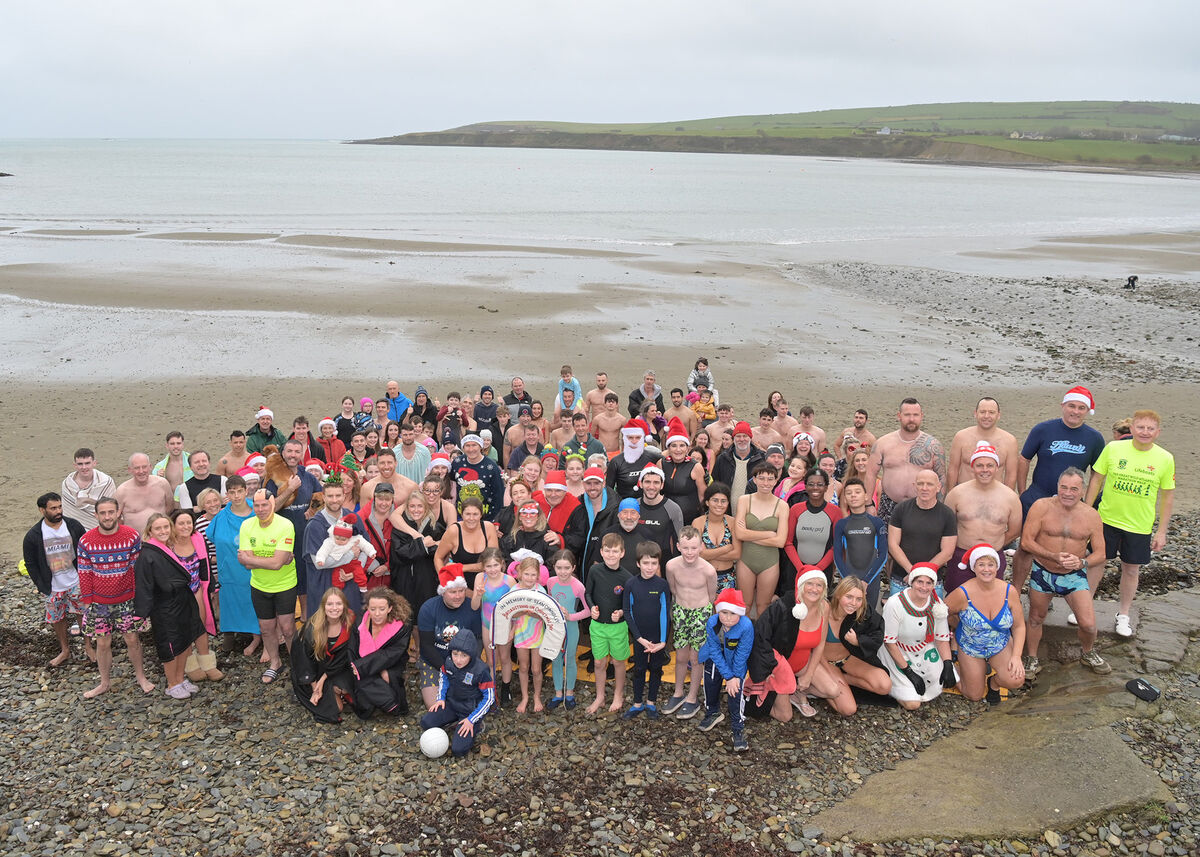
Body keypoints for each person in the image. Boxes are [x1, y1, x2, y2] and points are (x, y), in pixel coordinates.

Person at [1084, 409, 1175, 638]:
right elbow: (1096, 479)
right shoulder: (1114, 448)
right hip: (1106, 518)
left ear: (1158, 432)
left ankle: (1123, 615)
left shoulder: (1165, 458)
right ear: (1132, 428)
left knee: (1131, 569)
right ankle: (1085, 607)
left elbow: (1168, 497)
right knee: (1096, 562)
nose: (1145, 432)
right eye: (1141, 427)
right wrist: (1086, 509)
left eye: (1150, 428)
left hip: (1139, 525)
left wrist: (1161, 531)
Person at [1012, 386, 1106, 591]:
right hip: (1038, 495)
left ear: (1087, 411)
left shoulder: (1094, 438)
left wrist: (1087, 505)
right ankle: (1016, 591)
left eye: (1081, 408)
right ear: (1063, 406)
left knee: (1063, 546)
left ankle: (1047, 590)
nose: (1075, 411)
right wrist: (1023, 491)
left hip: (1071, 501)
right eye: (1071, 406)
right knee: (1026, 547)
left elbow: (1098, 473)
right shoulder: (1043, 429)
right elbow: (1024, 459)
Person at [1021, 468, 1111, 677]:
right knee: (1036, 617)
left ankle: (1088, 652)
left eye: (1074, 489)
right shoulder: (1041, 507)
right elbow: (1026, 542)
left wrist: (1081, 562)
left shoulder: (1091, 516)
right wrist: (1052, 556)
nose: (1068, 493)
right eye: (1064, 487)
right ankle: (1032, 658)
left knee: (1088, 624)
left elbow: (1101, 553)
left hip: (1073, 575)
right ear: (1058, 487)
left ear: (1082, 490)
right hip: (1043, 571)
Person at [745, 568, 856, 721]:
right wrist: (766, 669)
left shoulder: (824, 607)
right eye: (810, 584)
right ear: (801, 585)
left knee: (833, 690)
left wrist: (809, 675)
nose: (814, 589)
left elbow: (820, 644)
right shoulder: (784, 607)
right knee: (786, 716)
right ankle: (771, 688)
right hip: (779, 668)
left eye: (819, 585)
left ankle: (797, 692)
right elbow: (761, 637)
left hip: (802, 664)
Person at [76, 497, 154, 697]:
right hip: (98, 602)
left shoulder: (131, 536)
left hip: (127, 599)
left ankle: (141, 677)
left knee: (132, 639)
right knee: (102, 643)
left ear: (118, 513)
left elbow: (137, 568)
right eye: (103, 513)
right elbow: (84, 572)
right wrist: (87, 602)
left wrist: (140, 598)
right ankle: (104, 682)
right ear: (96, 515)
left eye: (111, 512)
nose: (107, 516)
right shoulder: (86, 541)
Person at [134, 514, 206, 700]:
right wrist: (140, 613)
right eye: (158, 528)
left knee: (184, 643)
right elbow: (143, 584)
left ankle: (180, 679)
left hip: (181, 601)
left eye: (166, 527)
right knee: (171, 646)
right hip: (164, 607)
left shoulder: (167, 548)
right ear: (150, 531)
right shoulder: (147, 554)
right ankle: (172, 684)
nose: (163, 531)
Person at [944, 544, 1026, 703]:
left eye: (990, 564)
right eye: (981, 565)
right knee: (974, 695)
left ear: (998, 567)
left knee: (1016, 680)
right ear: (974, 567)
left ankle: (994, 684)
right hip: (970, 646)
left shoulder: (1009, 591)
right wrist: (957, 626)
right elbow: (940, 613)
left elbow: (1019, 626)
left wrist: (1016, 656)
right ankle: (952, 668)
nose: (986, 569)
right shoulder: (962, 593)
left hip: (999, 644)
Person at [23, 492, 92, 667]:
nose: (58, 511)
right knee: (57, 618)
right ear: (42, 510)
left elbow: (84, 551)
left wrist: (85, 576)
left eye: (60, 506)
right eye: (53, 508)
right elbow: (30, 563)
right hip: (52, 586)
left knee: (82, 614)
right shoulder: (34, 535)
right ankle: (65, 650)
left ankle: (89, 646)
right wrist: (41, 584)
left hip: (75, 580)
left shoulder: (73, 526)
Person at [942, 442, 1022, 592]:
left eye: (989, 465)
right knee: (955, 601)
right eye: (980, 465)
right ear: (972, 467)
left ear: (996, 467)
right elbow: (946, 527)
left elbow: (1015, 530)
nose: (985, 470)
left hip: (992, 557)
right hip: (961, 555)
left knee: (990, 601)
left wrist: (993, 546)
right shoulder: (956, 494)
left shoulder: (1010, 497)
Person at [238, 490, 297, 685]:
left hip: (284, 584)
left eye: (265, 505)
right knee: (266, 628)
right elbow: (245, 564)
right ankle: (275, 662)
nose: (261, 509)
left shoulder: (285, 525)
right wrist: (271, 560)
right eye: (257, 505)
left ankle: (298, 665)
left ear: (273, 504)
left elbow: (276, 564)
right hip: (259, 585)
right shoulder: (247, 525)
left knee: (288, 628)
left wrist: (253, 559)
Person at [878, 564, 954, 710]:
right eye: (920, 582)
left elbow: (941, 638)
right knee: (913, 704)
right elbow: (889, 643)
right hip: (897, 652)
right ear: (911, 582)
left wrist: (948, 663)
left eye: (929, 583)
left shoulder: (937, 604)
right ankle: (894, 687)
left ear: (933, 585)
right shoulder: (895, 604)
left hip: (924, 649)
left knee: (939, 685)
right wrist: (908, 671)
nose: (924, 587)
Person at [862, 398, 947, 524]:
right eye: (907, 415)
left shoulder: (933, 445)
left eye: (915, 415)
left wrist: (937, 507)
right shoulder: (883, 443)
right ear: (899, 416)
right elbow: (870, 473)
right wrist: (868, 504)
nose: (911, 419)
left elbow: (941, 478)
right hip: (889, 505)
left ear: (921, 416)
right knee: (887, 542)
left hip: (923, 505)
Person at [663, 527, 717, 720]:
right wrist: (681, 608)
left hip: (700, 614)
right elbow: (673, 588)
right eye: (685, 548)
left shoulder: (708, 570)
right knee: (680, 656)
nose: (689, 552)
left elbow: (712, 597)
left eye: (694, 547)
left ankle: (692, 697)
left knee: (696, 659)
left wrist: (702, 613)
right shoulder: (671, 566)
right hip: (680, 611)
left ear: (701, 547)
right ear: (678, 546)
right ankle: (678, 693)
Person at [163, 509, 223, 683]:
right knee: (183, 629)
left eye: (189, 523)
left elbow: (204, 565)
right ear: (173, 525)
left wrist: (210, 586)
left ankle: (207, 662)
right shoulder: (167, 544)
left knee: (200, 625)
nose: (186, 526)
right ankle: (190, 664)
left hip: (196, 589)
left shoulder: (198, 538)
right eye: (181, 523)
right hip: (177, 594)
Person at [419, 628, 494, 757]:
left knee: (458, 750)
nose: (458, 660)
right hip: (452, 704)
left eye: (464, 655)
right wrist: (440, 698)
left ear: (471, 655)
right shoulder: (448, 662)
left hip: (470, 711)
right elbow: (444, 678)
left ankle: (478, 726)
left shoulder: (481, 671)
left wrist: (471, 720)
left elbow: (489, 699)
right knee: (426, 723)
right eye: (455, 654)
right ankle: (453, 721)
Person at [208, 474, 261, 656]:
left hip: (254, 570)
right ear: (227, 495)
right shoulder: (222, 516)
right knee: (230, 602)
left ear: (246, 491)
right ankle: (229, 636)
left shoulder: (258, 512)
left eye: (240, 491)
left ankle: (257, 637)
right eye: (232, 492)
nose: (237, 496)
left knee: (254, 602)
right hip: (229, 569)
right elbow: (212, 536)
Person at [417, 564, 483, 710]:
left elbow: (478, 641)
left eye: (461, 591)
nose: (458, 596)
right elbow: (426, 646)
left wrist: (467, 664)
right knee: (435, 707)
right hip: (434, 661)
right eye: (453, 592)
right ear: (443, 592)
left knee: (470, 704)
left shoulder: (472, 608)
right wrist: (446, 668)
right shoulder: (428, 608)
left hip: (465, 662)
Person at [886, 470, 957, 596]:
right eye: (920, 484)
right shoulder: (901, 509)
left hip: (932, 582)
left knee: (932, 616)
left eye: (929, 484)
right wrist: (912, 571)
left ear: (938, 487)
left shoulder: (947, 515)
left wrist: (922, 574)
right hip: (902, 579)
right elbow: (893, 544)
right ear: (914, 486)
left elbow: (947, 552)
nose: (925, 488)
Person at [696, 589, 752, 751]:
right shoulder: (712, 622)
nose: (727, 618)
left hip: (736, 660)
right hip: (715, 656)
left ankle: (737, 726)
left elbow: (742, 654)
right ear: (718, 611)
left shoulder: (746, 626)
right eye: (724, 612)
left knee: (735, 692)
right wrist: (727, 675)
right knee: (710, 682)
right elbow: (713, 650)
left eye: (733, 614)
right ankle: (712, 711)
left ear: (740, 614)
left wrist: (734, 677)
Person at [291, 587, 357, 723]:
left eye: (338, 604)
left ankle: (337, 689)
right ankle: (334, 690)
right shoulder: (311, 629)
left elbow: (344, 657)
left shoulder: (350, 623)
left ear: (344, 605)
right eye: (330, 604)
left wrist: (323, 681)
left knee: (352, 691)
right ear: (323, 606)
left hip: (337, 667)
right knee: (335, 709)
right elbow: (304, 662)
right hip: (314, 671)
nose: (334, 608)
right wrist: (316, 688)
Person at [621, 542, 671, 720]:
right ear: (638, 563)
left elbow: (665, 612)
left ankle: (651, 702)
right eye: (646, 563)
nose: (650, 567)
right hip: (639, 636)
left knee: (656, 668)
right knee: (640, 669)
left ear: (658, 564)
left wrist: (663, 641)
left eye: (654, 563)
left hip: (657, 637)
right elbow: (627, 612)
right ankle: (636, 703)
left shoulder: (662, 585)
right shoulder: (631, 584)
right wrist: (638, 637)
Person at [584, 533, 632, 714]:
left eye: (615, 551)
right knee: (598, 662)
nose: (611, 555)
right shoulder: (595, 571)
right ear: (602, 552)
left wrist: (620, 613)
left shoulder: (627, 577)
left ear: (622, 553)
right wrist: (591, 608)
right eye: (607, 551)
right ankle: (600, 696)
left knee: (618, 662)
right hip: (597, 625)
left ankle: (618, 695)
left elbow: (629, 605)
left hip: (618, 627)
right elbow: (588, 593)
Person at [734, 462, 788, 617]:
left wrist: (749, 534)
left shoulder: (782, 506)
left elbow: (780, 542)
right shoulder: (744, 500)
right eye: (762, 478)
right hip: (746, 559)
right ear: (754, 480)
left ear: (776, 481)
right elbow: (739, 534)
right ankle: (742, 638)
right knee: (744, 604)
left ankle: (761, 639)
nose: (766, 483)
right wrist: (769, 534)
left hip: (769, 562)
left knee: (763, 605)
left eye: (770, 479)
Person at [350, 587, 414, 717]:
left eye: (382, 609)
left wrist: (363, 666)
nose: (377, 613)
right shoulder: (359, 622)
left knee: (387, 674)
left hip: (392, 661)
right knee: (365, 708)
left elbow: (394, 652)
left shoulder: (402, 626)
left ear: (390, 608)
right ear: (367, 607)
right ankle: (388, 702)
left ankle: (391, 702)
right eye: (373, 609)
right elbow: (352, 648)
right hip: (362, 662)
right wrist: (358, 666)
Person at [824, 577, 892, 697]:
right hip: (824, 662)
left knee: (884, 685)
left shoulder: (863, 612)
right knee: (848, 709)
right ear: (839, 594)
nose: (853, 603)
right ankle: (824, 683)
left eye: (859, 599)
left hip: (847, 659)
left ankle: (844, 680)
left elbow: (878, 634)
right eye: (849, 597)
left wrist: (858, 641)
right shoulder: (824, 608)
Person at [831, 478, 889, 610]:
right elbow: (837, 556)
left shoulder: (876, 523)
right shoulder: (842, 524)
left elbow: (883, 555)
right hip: (849, 580)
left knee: (868, 618)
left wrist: (866, 581)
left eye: (857, 492)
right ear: (844, 498)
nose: (853, 495)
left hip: (871, 581)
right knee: (848, 619)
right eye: (849, 493)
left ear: (866, 496)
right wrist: (848, 581)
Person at [782, 469, 842, 590]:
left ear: (826, 487)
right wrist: (801, 569)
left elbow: (836, 546)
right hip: (795, 569)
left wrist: (816, 570)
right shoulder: (795, 509)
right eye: (811, 484)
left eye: (820, 484)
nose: (815, 487)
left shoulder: (835, 512)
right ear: (805, 486)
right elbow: (788, 543)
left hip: (822, 571)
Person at [545, 549, 589, 710]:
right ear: (554, 567)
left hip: (570, 627)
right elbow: (549, 601)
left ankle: (569, 693)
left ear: (573, 567)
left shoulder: (578, 586)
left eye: (567, 568)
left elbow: (588, 610)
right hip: (553, 628)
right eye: (559, 568)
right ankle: (558, 693)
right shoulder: (550, 582)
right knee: (555, 659)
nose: (563, 572)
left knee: (569, 659)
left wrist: (570, 617)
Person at [471, 547, 516, 707]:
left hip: (505, 624)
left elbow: (516, 609)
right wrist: (478, 594)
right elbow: (475, 606)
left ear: (502, 564)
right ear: (483, 566)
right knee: (491, 660)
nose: (492, 570)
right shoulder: (480, 578)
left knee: (504, 658)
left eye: (495, 565)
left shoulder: (509, 581)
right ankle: (491, 690)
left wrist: (513, 630)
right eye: (488, 566)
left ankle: (505, 689)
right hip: (487, 624)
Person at [946, 397, 1019, 491]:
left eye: (991, 412)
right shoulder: (961, 437)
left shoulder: (1009, 441)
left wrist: (1008, 499)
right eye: (982, 412)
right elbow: (953, 470)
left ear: (998, 415)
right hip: (965, 495)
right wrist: (951, 495)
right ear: (975, 414)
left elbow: (1011, 475)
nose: (986, 416)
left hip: (994, 495)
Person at [508, 556, 550, 714]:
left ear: (538, 576)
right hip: (521, 633)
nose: (530, 578)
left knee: (537, 668)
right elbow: (510, 614)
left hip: (537, 632)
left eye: (533, 575)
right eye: (527, 574)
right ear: (519, 574)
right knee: (523, 667)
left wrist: (532, 613)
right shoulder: (514, 590)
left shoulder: (541, 591)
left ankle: (537, 696)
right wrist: (512, 629)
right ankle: (525, 697)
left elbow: (546, 615)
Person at [563, 466, 620, 581]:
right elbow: (572, 536)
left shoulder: (616, 506)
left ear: (603, 483)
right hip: (582, 561)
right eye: (589, 483)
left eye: (596, 483)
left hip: (607, 560)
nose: (592, 487)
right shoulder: (578, 505)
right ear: (583, 484)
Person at [434, 497, 499, 590]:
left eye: (475, 514)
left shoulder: (488, 528)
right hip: (460, 587)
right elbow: (438, 557)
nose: (471, 518)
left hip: (486, 585)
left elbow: (493, 562)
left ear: (481, 514)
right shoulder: (453, 531)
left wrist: (460, 568)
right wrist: (445, 580)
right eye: (467, 514)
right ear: (461, 514)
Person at [314, 516, 374, 615]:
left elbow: (365, 546)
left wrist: (371, 552)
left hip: (353, 564)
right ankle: (338, 593)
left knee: (360, 574)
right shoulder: (330, 541)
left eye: (343, 539)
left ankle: (363, 590)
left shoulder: (355, 539)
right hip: (338, 564)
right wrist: (321, 559)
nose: (339, 541)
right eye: (337, 538)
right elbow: (323, 551)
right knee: (336, 578)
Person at [693, 482, 740, 596]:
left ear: (728, 503)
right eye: (715, 500)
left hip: (728, 577)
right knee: (705, 613)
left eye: (723, 501)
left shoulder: (732, 522)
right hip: (703, 576)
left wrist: (708, 554)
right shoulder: (698, 523)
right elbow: (698, 554)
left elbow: (737, 554)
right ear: (707, 502)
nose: (719, 504)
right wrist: (726, 548)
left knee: (724, 613)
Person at [634, 463, 685, 561]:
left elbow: (679, 542)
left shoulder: (673, 508)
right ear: (640, 483)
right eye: (647, 482)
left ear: (662, 485)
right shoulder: (633, 507)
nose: (651, 487)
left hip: (663, 563)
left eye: (656, 482)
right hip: (636, 562)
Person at [114, 453, 174, 534]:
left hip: (161, 538)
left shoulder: (162, 484)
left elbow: (170, 508)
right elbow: (115, 517)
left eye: (144, 467)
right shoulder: (122, 491)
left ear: (150, 467)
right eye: (137, 468)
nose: (141, 471)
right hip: (135, 541)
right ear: (129, 470)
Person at [661, 419, 706, 525]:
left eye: (682, 445)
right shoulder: (661, 463)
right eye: (674, 445)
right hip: (666, 517)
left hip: (690, 518)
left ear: (687, 448)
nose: (678, 450)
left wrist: (703, 518)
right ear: (668, 448)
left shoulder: (696, 467)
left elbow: (702, 495)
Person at [451, 434, 506, 521]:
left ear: (480, 447)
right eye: (467, 446)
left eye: (474, 445)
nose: (471, 449)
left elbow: (499, 495)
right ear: (463, 448)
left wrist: (497, 520)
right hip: (461, 516)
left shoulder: (492, 467)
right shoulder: (457, 462)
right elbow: (451, 486)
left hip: (486, 517)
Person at [61, 448, 117, 530]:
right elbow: (67, 511)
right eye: (80, 464)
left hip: (99, 529)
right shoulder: (67, 484)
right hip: (73, 530)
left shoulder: (106, 482)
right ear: (75, 465)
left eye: (87, 463)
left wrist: (86, 500)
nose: (84, 467)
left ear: (94, 463)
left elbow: (112, 507)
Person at [606, 418, 661, 500]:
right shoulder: (616, 462)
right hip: (626, 508)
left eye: (638, 437)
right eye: (630, 438)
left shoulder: (654, 458)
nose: (634, 441)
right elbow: (608, 491)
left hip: (650, 507)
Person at [711, 421, 764, 505]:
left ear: (750, 438)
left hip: (753, 509)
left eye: (745, 436)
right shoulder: (723, 459)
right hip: (727, 509)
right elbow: (715, 483)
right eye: (738, 436)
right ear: (734, 439)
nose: (741, 439)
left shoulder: (761, 459)